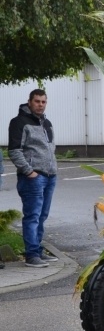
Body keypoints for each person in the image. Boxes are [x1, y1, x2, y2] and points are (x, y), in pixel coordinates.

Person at [7, 89, 58, 268]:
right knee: (32, 216)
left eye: (43, 102)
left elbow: (50, 149)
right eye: (37, 101)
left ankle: (37, 251)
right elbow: (14, 150)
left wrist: (53, 170)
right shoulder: (19, 122)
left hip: (50, 176)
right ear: (29, 102)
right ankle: (31, 255)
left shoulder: (47, 123)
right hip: (33, 178)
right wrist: (29, 171)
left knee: (42, 216)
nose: (40, 105)